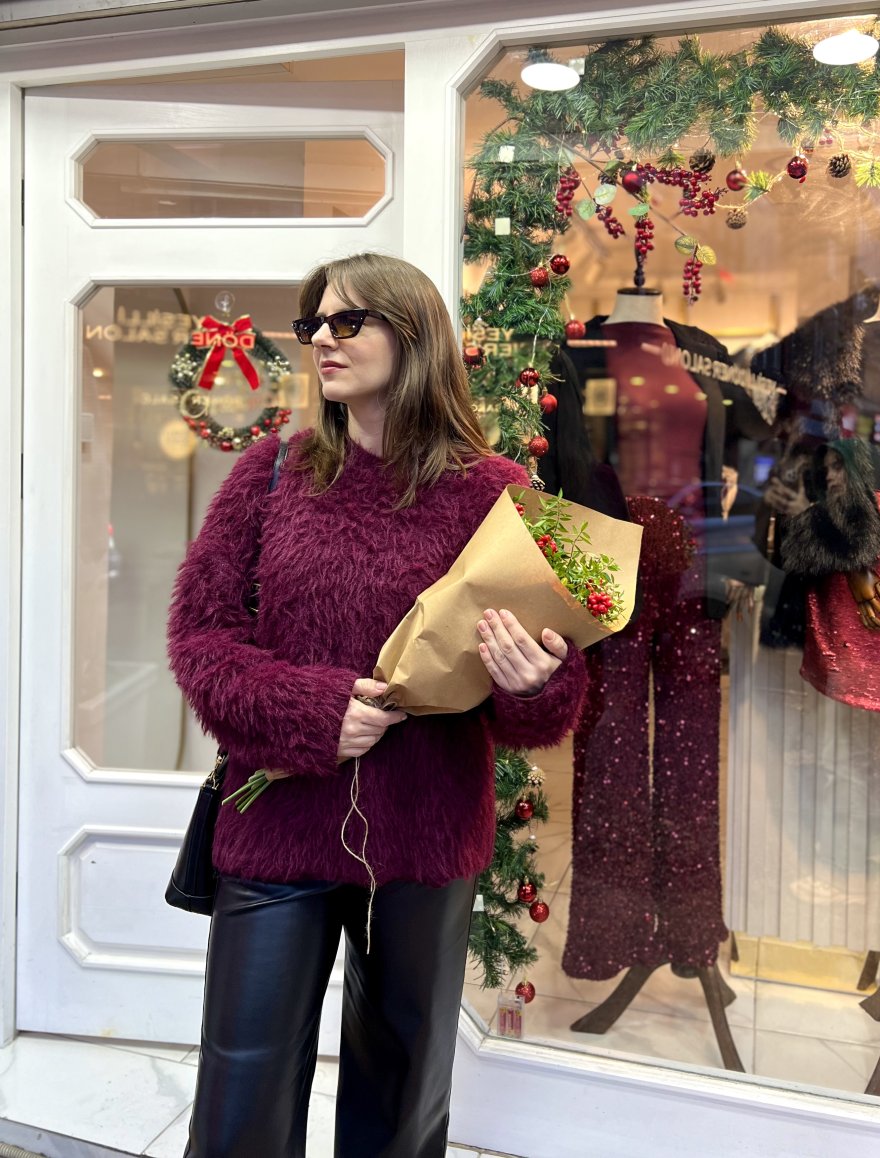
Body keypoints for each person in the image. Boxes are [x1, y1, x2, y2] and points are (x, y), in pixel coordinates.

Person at [167, 252, 587, 1158]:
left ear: (414, 333)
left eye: (348, 321)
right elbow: (199, 641)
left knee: (400, 1105)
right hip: (277, 828)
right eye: (313, 323)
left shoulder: (498, 494)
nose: (322, 338)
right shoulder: (272, 474)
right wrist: (314, 713)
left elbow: (547, 694)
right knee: (239, 1099)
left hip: (423, 835)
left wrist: (535, 682)